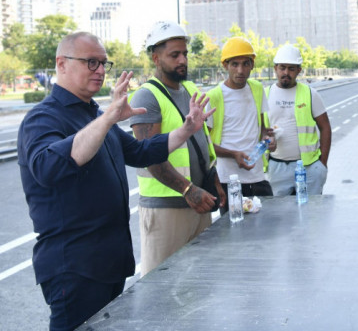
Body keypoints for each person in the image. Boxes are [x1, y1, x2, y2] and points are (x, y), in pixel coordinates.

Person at [17, 32, 213, 330]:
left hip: (109, 262)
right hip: (75, 267)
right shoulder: (43, 119)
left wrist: (185, 131)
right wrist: (107, 117)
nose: (99, 70)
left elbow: (138, 151)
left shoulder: (93, 114)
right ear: (62, 64)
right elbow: (48, 168)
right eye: (91, 62)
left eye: (103, 64)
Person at [129, 21, 225, 276]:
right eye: (174, 55)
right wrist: (187, 189)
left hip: (198, 201)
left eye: (185, 53)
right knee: (162, 286)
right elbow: (150, 157)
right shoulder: (147, 97)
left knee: (199, 284)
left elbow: (203, 144)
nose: (182, 59)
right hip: (166, 209)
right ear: (156, 58)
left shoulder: (191, 90)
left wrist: (212, 179)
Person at [206, 36, 275, 210]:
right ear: (225, 66)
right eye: (234, 64)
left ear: (252, 65)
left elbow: (260, 129)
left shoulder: (257, 89)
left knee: (268, 232)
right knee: (234, 234)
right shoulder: (213, 97)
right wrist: (233, 154)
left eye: (246, 63)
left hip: (258, 177)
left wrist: (268, 138)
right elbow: (204, 144)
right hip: (228, 181)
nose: (240, 70)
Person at [265, 44, 331, 195]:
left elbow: (325, 127)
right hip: (277, 167)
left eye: (291, 68)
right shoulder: (265, 95)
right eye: (282, 67)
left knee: (312, 215)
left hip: (309, 168)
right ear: (275, 68)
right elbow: (259, 130)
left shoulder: (310, 94)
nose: (286, 72)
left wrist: (322, 164)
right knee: (281, 216)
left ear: (299, 70)